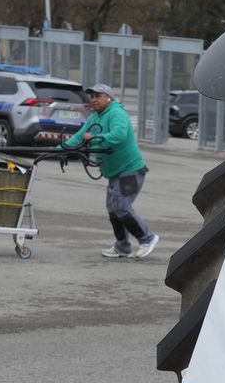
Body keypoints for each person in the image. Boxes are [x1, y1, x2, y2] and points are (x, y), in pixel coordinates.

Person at [61, 83, 159, 259]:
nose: (94, 99)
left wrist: (96, 138)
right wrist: (60, 149)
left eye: (98, 96)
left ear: (109, 98)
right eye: (92, 96)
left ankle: (147, 238)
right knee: (113, 209)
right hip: (115, 172)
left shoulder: (116, 113)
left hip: (131, 170)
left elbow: (119, 135)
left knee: (120, 206)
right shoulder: (94, 118)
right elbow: (79, 137)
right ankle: (122, 246)